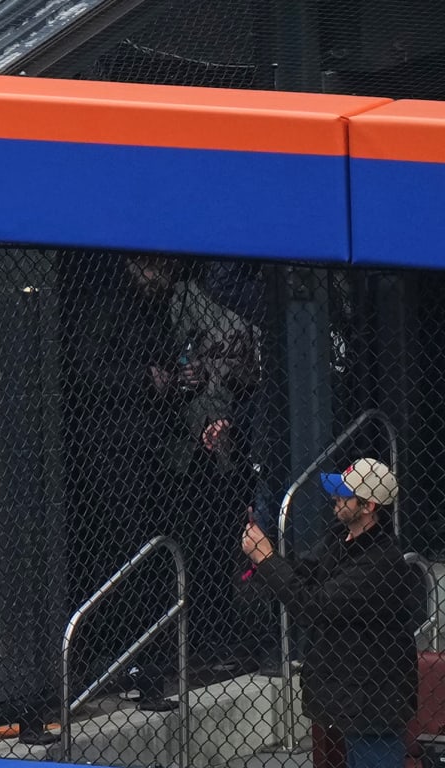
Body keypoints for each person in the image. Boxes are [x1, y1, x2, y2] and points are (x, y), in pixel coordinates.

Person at [127, 254, 266, 708]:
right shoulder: (178, 301)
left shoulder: (253, 302)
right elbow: (168, 361)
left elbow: (255, 376)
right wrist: (179, 377)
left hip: (231, 434)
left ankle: (226, 633)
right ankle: (190, 635)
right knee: (185, 537)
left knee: (226, 537)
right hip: (184, 437)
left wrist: (234, 415)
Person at [242, 459, 424, 768]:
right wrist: (265, 557)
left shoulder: (380, 561)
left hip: (374, 700)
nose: (336, 498)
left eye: (345, 494)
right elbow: (307, 573)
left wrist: (267, 559)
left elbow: (313, 606)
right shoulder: (343, 540)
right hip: (354, 695)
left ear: (368, 506)